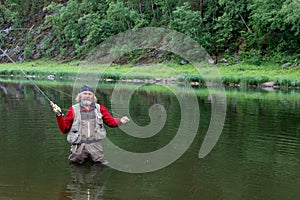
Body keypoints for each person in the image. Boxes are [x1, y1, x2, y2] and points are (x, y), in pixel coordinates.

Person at [50, 85, 130, 165]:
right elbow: (64, 129)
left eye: (90, 94)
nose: (87, 96)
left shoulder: (100, 108)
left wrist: (121, 120)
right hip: (78, 147)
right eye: (85, 93)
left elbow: (111, 122)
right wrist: (59, 115)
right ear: (80, 96)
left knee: (98, 168)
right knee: (76, 169)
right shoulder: (73, 109)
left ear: (93, 97)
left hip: (96, 147)